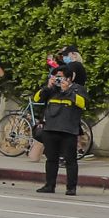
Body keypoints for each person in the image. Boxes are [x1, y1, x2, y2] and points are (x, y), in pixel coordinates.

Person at [33, 64, 87, 194]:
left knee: (70, 161)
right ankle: (49, 185)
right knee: (51, 159)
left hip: (68, 130)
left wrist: (67, 90)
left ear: (69, 79)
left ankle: (71, 187)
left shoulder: (77, 89)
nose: (58, 80)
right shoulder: (51, 90)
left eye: (61, 77)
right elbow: (37, 99)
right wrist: (48, 86)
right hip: (50, 129)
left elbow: (83, 103)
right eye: (56, 77)